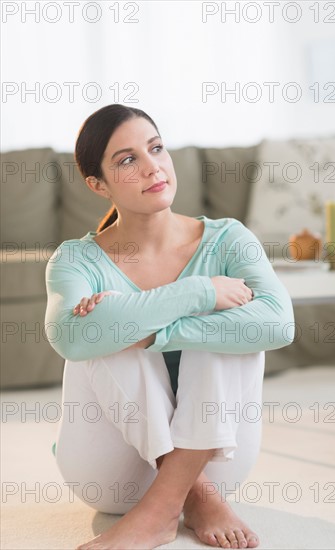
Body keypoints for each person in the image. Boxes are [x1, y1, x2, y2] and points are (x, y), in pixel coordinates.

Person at [45, 104, 295, 550]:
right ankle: (181, 499)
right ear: (97, 184)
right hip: (110, 473)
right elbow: (69, 337)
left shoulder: (228, 239)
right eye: (127, 160)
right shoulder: (75, 258)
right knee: (104, 324)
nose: (152, 166)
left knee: (220, 327)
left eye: (156, 148)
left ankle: (165, 507)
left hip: (218, 460)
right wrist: (198, 292)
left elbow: (278, 323)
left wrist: (156, 331)